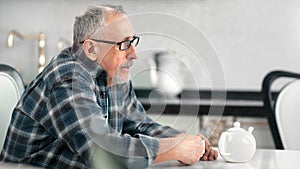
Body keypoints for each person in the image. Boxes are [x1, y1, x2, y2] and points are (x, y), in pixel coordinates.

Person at [0, 4, 218, 169]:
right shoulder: (68, 78)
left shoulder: (114, 75)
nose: (134, 53)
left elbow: (138, 124)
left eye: (133, 41)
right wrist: (173, 148)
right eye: (123, 44)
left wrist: (183, 141)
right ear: (91, 49)